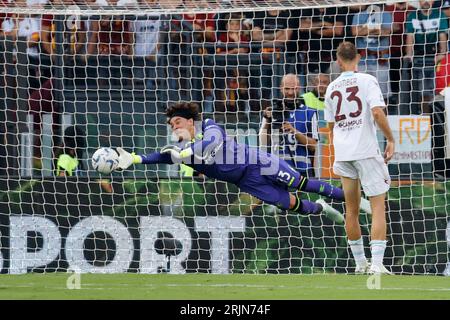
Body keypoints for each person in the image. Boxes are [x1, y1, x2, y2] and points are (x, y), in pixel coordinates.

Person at [112, 102, 373, 223]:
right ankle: (321, 209)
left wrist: (184, 153)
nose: (173, 127)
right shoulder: (181, 149)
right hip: (246, 181)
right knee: (289, 204)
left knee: (301, 183)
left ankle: (359, 200)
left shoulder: (209, 126)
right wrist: (134, 159)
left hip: (258, 163)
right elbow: (162, 156)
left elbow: (212, 142)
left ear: (190, 122)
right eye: (171, 125)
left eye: (176, 122)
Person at [324, 41, 395, 274]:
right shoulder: (367, 80)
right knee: (377, 207)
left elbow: (330, 126)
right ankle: (376, 265)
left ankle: (359, 263)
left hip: (344, 154)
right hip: (365, 151)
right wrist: (391, 139)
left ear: (337, 60)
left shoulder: (331, 88)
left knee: (351, 210)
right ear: (359, 57)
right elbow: (377, 112)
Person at [259, 74, 318, 178]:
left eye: (294, 89)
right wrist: (267, 121)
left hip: (302, 169)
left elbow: (313, 146)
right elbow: (263, 142)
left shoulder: (310, 113)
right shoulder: (272, 112)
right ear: (281, 89)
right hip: (277, 168)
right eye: (287, 89)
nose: (290, 92)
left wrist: (293, 131)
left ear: (299, 88)